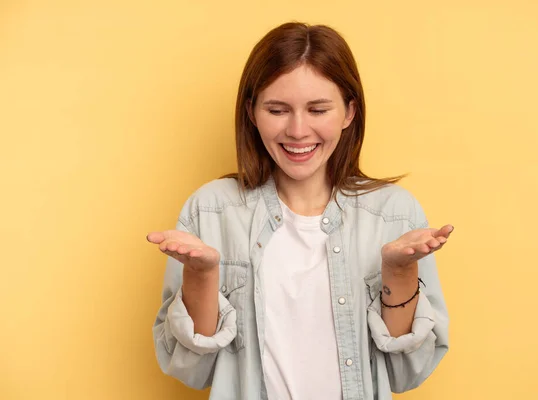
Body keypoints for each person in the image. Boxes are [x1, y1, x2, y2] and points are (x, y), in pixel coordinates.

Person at [147, 21, 453, 400]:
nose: (297, 130)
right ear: (252, 113)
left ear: (348, 112)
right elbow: (191, 370)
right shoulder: (210, 211)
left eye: (318, 109)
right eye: (277, 109)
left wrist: (400, 272)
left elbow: (410, 372)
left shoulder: (394, 215)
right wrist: (201, 277)